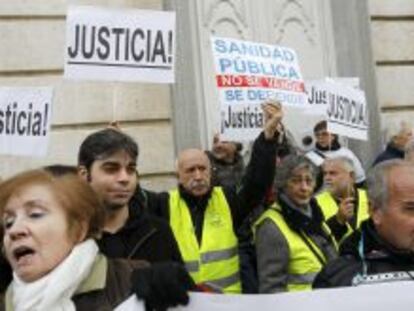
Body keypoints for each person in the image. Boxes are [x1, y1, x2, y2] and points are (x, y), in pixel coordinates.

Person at [146, 101, 282, 293]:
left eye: (203, 169)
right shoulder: (163, 204)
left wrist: (268, 138)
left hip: (228, 303)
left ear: (210, 171)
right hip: (187, 304)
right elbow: (129, 198)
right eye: (190, 170)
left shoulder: (228, 199)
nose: (198, 176)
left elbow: (257, 182)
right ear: (178, 175)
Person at [0, 169, 149, 310]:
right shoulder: (8, 302)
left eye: (35, 214)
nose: (14, 230)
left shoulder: (137, 281)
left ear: (78, 229)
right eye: (8, 222)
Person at [77, 128, 183, 264]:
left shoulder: (158, 231)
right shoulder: (69, 238)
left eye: (130, 169)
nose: (124, 178)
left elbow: (179, 283)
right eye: (111, 169)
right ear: (84, 175)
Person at [313, 160, 414, 288]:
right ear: (375, 211)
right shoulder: (339, 279)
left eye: (333, 173)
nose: (328, 177)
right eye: (411, 209)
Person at [254, 155, 338, 293]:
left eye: (309, 180)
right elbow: (272, 289)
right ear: (283, 184)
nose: (304, 187)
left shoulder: (315, 214)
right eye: (296, 181)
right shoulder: (271, 227)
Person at [316, 157, 369, 243]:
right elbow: (318, 240)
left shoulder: (370, 198)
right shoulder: (315, 203)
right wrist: (338, 221)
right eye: (325, 174)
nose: (327, 178)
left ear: (351, 176)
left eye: (333, 173)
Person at [308, 120, 366, 188]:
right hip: (319, 197)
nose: (320, 138)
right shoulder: (310, 157)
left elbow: (360, 180)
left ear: (333, 136)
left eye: (324, 134)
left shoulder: (347, 154)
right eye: (317, 135)